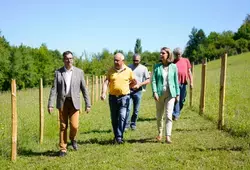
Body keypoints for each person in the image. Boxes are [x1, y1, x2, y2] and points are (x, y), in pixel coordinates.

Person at [48, 51, 91, 157]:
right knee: (63, 126)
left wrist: (88, 104)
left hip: (74, 103)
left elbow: (84, 89)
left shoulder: (79, 72)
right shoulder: (58, 72)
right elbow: (54, 89)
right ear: (63, 60)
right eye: (67, 58)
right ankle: (63, 148)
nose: (69, 60)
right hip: (62, 103)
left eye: (71, 58)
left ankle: (73, 139)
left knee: (74, 126)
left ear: (73, 59)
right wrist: (50, 104)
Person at [101, 53, 137, 144]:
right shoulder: (111, 70)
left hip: (124, 97)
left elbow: (134, 82)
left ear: (123, 61)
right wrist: (103, 93)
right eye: (114, 60)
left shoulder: (128, 70)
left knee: (122, 116)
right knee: (114, 118)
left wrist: (128, 87)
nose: (115, 62)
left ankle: (119, 137)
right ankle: (117, 136)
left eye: (117, 60)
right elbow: (106, 82)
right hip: (113, 98)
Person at [151, 47, 179, 143]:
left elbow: (176, 81)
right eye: (160, 53)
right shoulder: (157, 66)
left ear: (168, 54)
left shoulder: (174, 67)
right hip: (159, 94)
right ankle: (160, 132)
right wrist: (154, 92)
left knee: (168, 114)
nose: (161, 55)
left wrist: (177, 94)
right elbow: (153, 80)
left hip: (171, 94)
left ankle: (168, 136)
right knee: (159, 116)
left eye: (163, 53)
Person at [125, 53, 150, 130]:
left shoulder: (144, 68)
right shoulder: (128, 67)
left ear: (140, 60)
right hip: (129, 90)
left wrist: (140, 84)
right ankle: (126, 125)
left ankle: (133, 124)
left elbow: (148, 80)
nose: (135, 62)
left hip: (138, 91)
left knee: (136, 110)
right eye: (134, 60)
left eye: (137, 60)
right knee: (128, 109)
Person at [172, 47, 193, 120]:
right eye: (176, 54)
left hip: (184, 83)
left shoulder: (186, 60)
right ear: (174, 54)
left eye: (179, 54)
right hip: (176, 83)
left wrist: (191, 82)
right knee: (176, 99)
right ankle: (176, 114)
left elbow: (189, 71)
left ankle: (175, 111)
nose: (178, 56)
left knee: (182, 99)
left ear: (181, 54)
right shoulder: (173, 62)